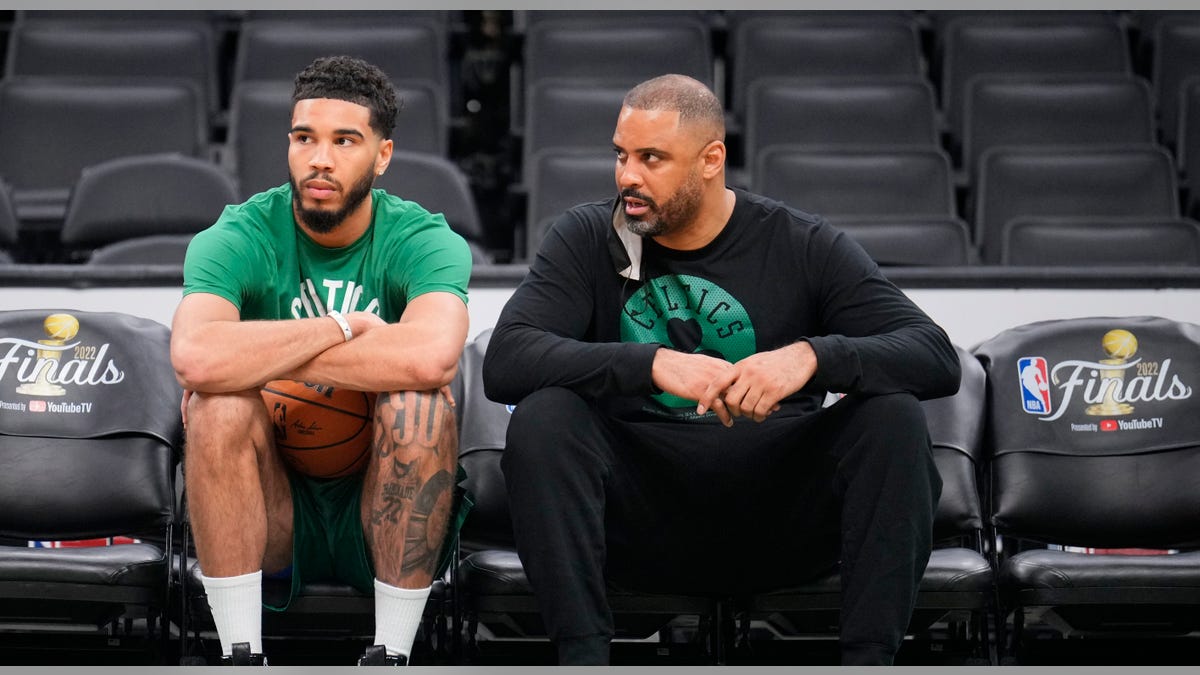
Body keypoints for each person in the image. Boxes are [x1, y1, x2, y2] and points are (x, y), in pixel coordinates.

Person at [482, 74, 961, 666]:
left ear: (711, 159)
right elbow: (507, 360)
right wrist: (651, 363)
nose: (627, 176)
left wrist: (811, 358)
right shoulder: (587, 236)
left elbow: (935, 354)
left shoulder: (801, 243)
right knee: (543, 417)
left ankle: (868, 662)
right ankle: (582, 659)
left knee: (893, 417)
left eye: (651, 158)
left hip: (781, 517)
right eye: (621, 155)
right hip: (636, 521)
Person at [171, 55, 471, 666]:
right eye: (304, 138)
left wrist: (265, 358)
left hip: (379, 505)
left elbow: (432, 359)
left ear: (382, 155)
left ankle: (392, 653)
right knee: (218, 406)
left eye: (345, 141)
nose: (320, 160)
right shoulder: (240, 234)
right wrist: (341, 329)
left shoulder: (422, 239)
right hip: (275, 507)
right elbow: (196, 357)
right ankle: (239, 654)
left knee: (418, 407)